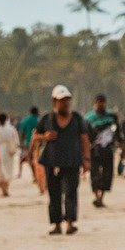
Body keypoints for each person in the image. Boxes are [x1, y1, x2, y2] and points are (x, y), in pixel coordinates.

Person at [37, 85, 90, 234]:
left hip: (72, 161)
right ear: (54, 101)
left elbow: (84, 139)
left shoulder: (77, 119)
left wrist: (87, 160)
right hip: (51, 161)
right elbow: (35, 136)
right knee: (54, 194)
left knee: (71, 192)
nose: (65, 103)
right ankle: (57, 225)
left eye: (67, 100)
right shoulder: (47, 119)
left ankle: (70, 223)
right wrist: (44, 137)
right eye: (61, 100)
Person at [85, 94, 118, 208]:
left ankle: (101, 198)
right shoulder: (88, 118)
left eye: (102, 102)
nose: (100, 104)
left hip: (108, 150)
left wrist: (121, 145)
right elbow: (85, 136)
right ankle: (96, 196)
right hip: (94, 150)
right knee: (95, 174)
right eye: (98, 102)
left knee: (107, 174)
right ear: (94, 103)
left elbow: (117, 132)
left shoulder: (111, 116)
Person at [0, 112, 19, 196]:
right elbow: (16, 141)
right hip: (9, 151)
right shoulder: (11, 129)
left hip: (0, 150)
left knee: (2, 170)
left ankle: (3, 189)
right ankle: (5, 189)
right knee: (8, 170)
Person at [17, 106, 40, 178]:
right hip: (38, 143)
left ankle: (34, 175)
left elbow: (22, 132)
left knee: (30, 158)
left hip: (27, 142)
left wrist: (21, 143)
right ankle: (37, 175)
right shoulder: (38, 120)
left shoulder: (25, 120)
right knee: (36, 158)